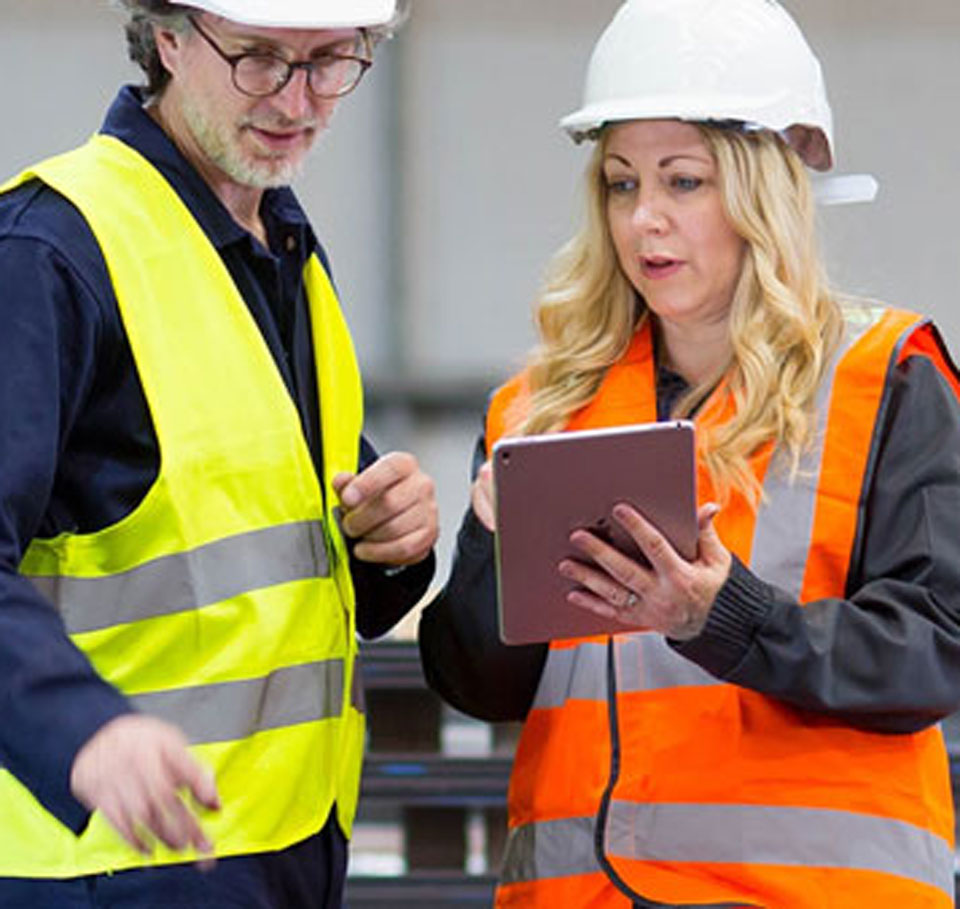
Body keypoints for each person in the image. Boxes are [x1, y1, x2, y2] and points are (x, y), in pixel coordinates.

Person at [418, 0, 960, 906]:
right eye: (622, 184)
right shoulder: (539, 409)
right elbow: (479, 682)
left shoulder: (887, 380)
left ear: (763, 190)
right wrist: (487, 553)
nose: (644, 221)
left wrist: (726, 613)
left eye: (684, 182)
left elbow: (934, 651)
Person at [0, 0, 437, 906]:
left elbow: (264, 549)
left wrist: (391, 545)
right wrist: (82, 730)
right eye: (260, 58)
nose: (298, 99)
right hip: (100, 861)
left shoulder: (280, 250)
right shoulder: (49, 253)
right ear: (168, 36)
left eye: (331, 61)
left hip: (277, 849)